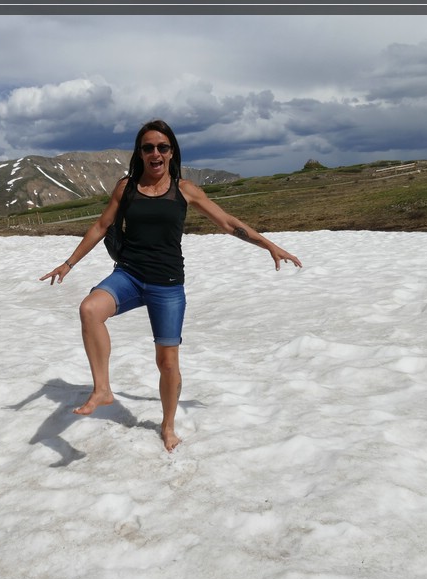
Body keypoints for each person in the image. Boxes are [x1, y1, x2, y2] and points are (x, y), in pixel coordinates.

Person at [40, 119, 302, 452]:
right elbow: (101, 225)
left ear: (171, 151)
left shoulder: (185, 190)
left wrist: (270, 246)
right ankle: (103, 389)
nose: (155, 153)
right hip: (129, 276)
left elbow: (227, 222)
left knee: (167, 362)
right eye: (148, 147)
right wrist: (68, 263)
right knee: (90, 309)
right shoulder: (127, 187)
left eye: (162, 147)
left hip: (167, 284)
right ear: (140, 153)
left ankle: (168, 426)